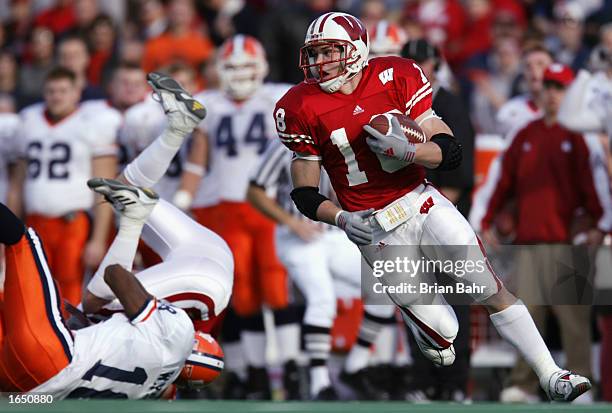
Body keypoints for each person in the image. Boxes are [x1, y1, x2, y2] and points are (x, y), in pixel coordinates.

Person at [274, 11, 591, 402]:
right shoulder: (299, 105)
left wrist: (410, 150)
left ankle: (552, 375)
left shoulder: (397, 75)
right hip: (374, 228)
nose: (320, 62)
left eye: (330, 52)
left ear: (356, 50)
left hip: (422, 202)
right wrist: (340, 218)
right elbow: (303, 192)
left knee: (485, 285)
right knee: (446, 333)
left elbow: (450, 150)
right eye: (315, 53)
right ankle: (429, 329)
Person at [479, 63, 612, 403]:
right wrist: (489, 219)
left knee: (573, 320)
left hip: (568, 243)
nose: (553, 94)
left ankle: (583, 384)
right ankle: (524, 385)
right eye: (549, 87)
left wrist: (601, 224)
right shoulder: (526, 135)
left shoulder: (579, 138)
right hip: (529, 242)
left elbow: (594, 188)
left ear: (569, 93)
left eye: (560, 88)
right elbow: (504, 182)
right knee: (527, 317)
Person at [82, 72, 234, 338]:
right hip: (201, 281)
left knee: (126, 187)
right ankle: (133, 217)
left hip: (212, 252)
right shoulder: (167, 354)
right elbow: (115, 278)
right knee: (95, 308)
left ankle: (177, 127)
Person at [191, 34, 297, 399]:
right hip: (227, 208)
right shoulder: (210, 104)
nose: (238, 75)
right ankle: (255, 373)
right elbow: (197, 157)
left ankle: (292, 367)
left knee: (276, 287)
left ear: (262, 67)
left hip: (268, 206)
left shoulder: (277, 99)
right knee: (244, 294)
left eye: (246, 66)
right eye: (231, 67)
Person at [401, 38, 475, 401]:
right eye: (410, 62)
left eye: (422, 62)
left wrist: (427, 216)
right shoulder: (399, 104)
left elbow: (460, 177)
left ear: (436, 64)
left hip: (442, 214)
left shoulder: (448, 105)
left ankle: (455, 384)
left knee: (454, 301)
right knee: (414, 301)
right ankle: (422, 380)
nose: (417, 69)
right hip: (408, 215)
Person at [15, 67, 118, 305]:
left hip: (72, 222)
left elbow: (105, 187)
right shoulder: (29, 121)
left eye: (63, 90)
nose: (57, 96)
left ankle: (69, 340)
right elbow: (18, 183)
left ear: (76, 93)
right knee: (33, 287)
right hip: (34, 221)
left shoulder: (91, 123)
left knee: (69, 288)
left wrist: (99, 239)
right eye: (51, 91)